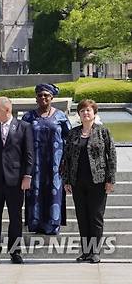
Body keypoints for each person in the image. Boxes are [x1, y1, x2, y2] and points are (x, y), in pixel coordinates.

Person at [62, 99, 117, 263]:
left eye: (88, 110)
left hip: (98, 182)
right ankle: (86, 251)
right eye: (82, 111)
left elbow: (112, 156)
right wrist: (67, 180)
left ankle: (95, 252)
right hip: (78, 182)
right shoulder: (73, 133)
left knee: (96, 217)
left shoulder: (103, 132)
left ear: (94, 113)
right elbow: (67, 158)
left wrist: (110, 180)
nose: (85, 113)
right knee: (82, 217)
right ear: (78, 114)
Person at [0, 97, 33, 264]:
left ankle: (15, 251)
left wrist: (27, 176)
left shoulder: (24, 127)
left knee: (15, 217)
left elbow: (29, 154)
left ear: (7, 110)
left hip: (15, 181)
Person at [21, 83, 71, 235]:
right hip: (34, 165)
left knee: (54, 193)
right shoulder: (28, 117)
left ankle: (52, 225)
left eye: (46, 95)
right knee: (35, 193)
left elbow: (69, 140)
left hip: (55, 165)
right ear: (36, 98)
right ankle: (36, 224)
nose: (43, 98)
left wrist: (66, 162)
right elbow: (21, 141)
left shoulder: (61, 116)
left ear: (52, 98)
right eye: (40, 95)